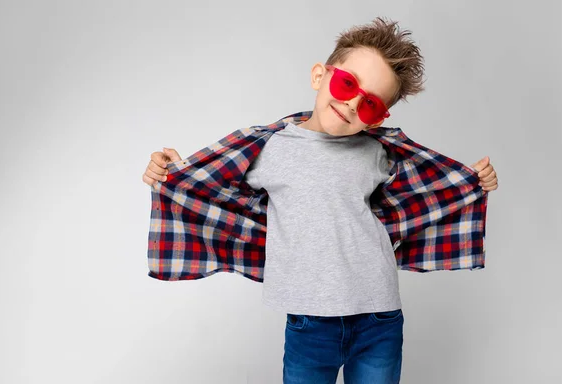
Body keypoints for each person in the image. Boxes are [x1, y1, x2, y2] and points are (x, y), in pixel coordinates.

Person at [141, 16, 498, 384]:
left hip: (379, 315)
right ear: (319, 76)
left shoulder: (376, 152)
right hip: (308, 322)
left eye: (370, 104)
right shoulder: (269, 149)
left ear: (377, 120)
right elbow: (208, 187)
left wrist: (472, 182)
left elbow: (427, 192)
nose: (351, 104)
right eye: (347, 84)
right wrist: (170, 172)